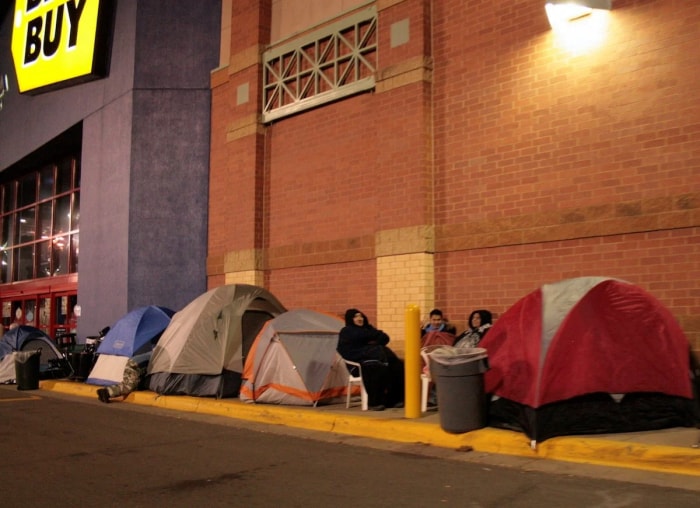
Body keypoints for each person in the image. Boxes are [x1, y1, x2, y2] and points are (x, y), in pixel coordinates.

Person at [337, 308, 404, 411]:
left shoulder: (368, 329)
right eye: (356, 316)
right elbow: (354, 343)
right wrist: (371, 341)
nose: (360, 318)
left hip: (375, 358)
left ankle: (393, 400)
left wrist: (371, 342)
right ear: (351, 319)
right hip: (358, 364)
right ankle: (374, 402)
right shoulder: (347, 331)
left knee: (397, 366)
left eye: (361, 316)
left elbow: (385, 337)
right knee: (375, 367)